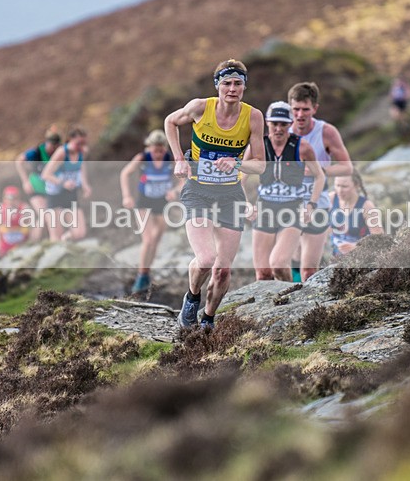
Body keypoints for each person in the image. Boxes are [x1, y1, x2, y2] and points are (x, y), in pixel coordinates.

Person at [164, 59, 265, 329]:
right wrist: (179, 159)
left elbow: (261, 163)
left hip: (230, 194)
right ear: (217, 85)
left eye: (238, 83)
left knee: (222, 271)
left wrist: (237, 163)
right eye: (227, 83)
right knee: (207, 259)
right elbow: (170, 122)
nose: (232, 89)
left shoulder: (253, 117)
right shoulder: (200, 107)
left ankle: (208, 318)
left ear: (244, 86)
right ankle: (192, 297)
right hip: (198, 191)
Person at [243, 101, 324, 281]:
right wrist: (246, 204)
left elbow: (320, 176)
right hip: (265, 209)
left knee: (278, 264)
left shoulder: (302, 147)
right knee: (263, 273)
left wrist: (311, 205)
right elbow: (240, 179)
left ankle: (291, 296)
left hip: (292, 210)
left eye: (284, 124)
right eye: (274, 124)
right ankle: (267, 309)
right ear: (267, 123)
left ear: (290, 124)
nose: (279, 129)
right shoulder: (258, 146)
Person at [288, 81, 354, 281]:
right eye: (296, 109)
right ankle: (290, 299)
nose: (300, 115)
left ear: (315, 109)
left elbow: (347, 167)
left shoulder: (326, 132)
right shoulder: (283, 132)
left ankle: (304, 305)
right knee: (290, 260)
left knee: (309, 268)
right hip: (288, 203)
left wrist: (317, 170)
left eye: (305, 110)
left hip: (318, 203)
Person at [119, 130, 181, 294]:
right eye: (155, 150)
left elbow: (183, 178)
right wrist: (126, 196)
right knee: (148, 239)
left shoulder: (169, 158)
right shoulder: (142, 158)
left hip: (162, 202)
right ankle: (141, 276)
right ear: (149, 147)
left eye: (161, 150)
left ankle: (146, 272)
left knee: (157, 238)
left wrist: (175, 190)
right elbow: (125, 174)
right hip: (144, 202)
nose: (158, 154)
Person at [41, 128, 92, 242]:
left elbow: (81, 167)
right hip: (55, 194)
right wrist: (63, 183)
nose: (82, 146)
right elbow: (46, 174)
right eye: (79, 143)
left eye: (84, 143)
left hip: (70, 193)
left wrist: (85, 185)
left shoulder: (81, 152)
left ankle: (66, 241)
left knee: (79, 232)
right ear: (70, 140)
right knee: (55, 235)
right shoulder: (62, 152)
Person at [15, 128, 61, 242]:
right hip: (35, 188)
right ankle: (42, 240)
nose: (52, 148)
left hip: (50, 189)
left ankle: (40, 239)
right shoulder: (36, 152)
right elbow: (19, 161)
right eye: (51, 144)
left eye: (55, 145)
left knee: (49, 216)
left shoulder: (59, 152)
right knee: (44, 214)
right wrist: (25, 181)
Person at [329, 171, 383, 257]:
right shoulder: (331, 198)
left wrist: (356, 247)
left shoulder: (367, 206)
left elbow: (380, 239)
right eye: (337, 185)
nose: (339, 190)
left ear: (356, 185)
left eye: (344, 186)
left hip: (362, 259)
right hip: (335, 257)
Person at [0, 186, 32, 257]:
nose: (11, 202)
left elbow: (30, 227)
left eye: (14, 199)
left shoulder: (24, 208)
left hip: (21, 239)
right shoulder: (0, 208)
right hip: (6, 239)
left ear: (18, 198)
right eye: (8, 199)